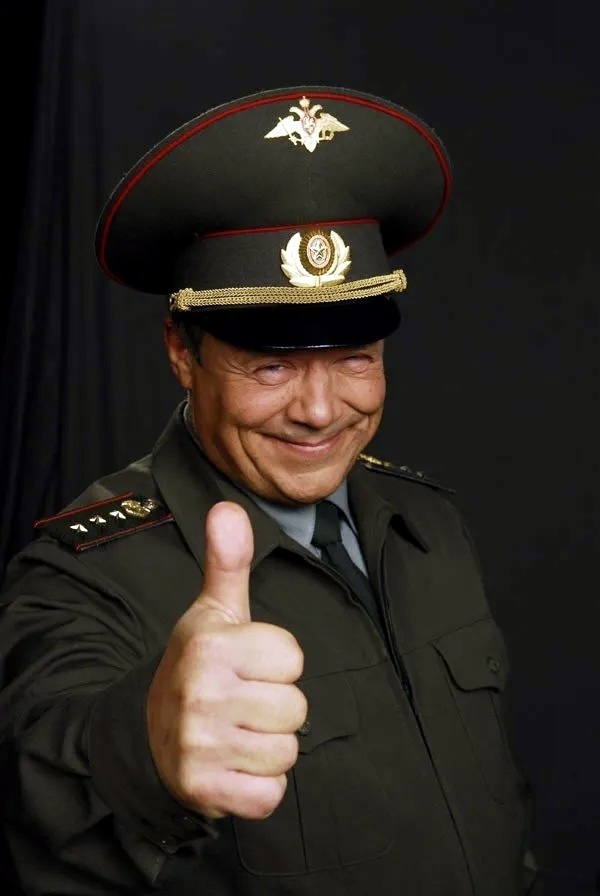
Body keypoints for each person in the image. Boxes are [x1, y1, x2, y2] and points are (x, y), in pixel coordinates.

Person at [0, 85, 539, 895]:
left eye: (354, 356)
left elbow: (495, 808)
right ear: (181, 352)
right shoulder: (83, 576)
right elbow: (34, 765)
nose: (320, 410)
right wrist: (141, 751)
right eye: (272, 365)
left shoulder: (430, 523)